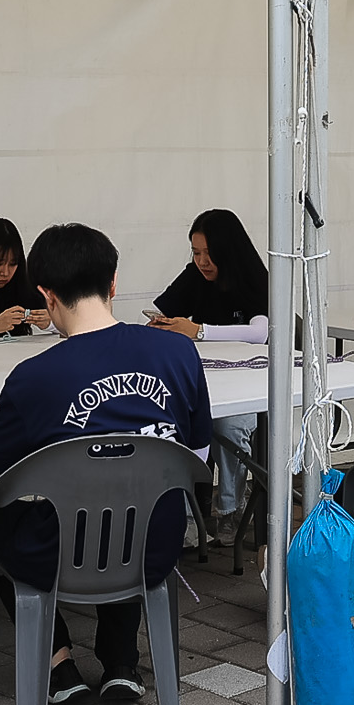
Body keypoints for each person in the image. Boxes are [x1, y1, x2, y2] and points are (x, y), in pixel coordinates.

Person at [0, 223, 210, 705]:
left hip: (59, 556)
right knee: (131, 501)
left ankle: (58, 661)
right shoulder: (180, 352)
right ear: (114, 283)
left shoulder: (33, 376)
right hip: (155, 545)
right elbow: (198, 460)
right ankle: (121, 659)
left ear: (45, 294)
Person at [147, 209, 268, 547]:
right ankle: (184, 519)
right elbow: (165, 313)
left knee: (227, 426)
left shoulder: (254, 278)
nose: (202, 261)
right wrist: (162, 325)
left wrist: (198, 331)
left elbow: (259, 333)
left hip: (248, 384)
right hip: (200, 380)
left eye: (208, 253)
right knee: (171, 422)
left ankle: (231, 509)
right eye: (196, 252)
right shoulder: (194, 277)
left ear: (227, 251)